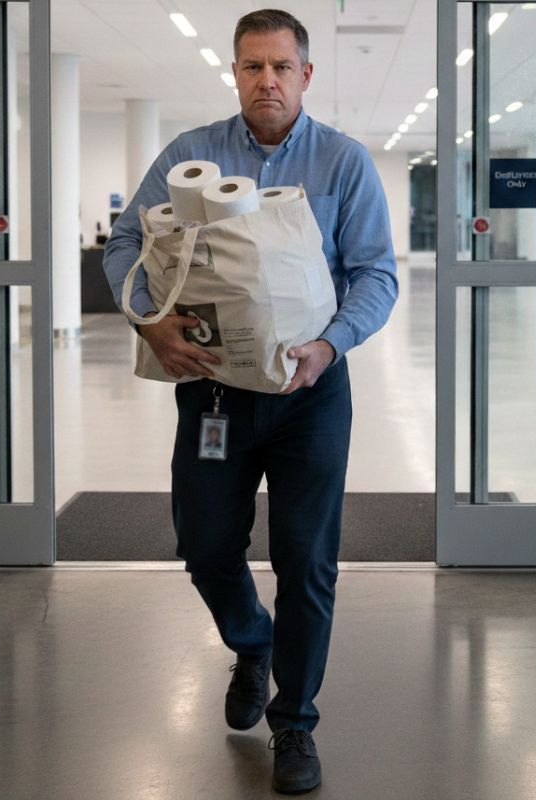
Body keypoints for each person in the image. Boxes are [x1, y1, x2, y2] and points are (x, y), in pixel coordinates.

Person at [103, 9, 397, 794]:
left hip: (309, 392)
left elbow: (375, 274)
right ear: (235, 74)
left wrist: (330, 344)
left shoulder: (343, 162)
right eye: (250, 68)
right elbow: (126, 241)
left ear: (305, 75)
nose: (265, 81)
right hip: (213, 392)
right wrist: (152, 322)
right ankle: (251, 642)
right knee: (204, 546)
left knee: (307, 559)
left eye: (279, 67)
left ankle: (294, 723)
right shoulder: (190, 155)